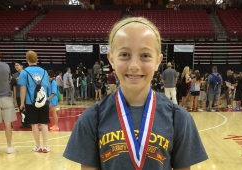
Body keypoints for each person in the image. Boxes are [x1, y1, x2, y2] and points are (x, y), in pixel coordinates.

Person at [64, 17, 208, 169]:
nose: (134, 66)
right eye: (125, 54)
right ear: (111, 59)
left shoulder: (178, 118)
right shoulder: (92, 118)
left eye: (145, 55)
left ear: (158, 61)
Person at [18, 50, 50, 153]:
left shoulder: (24, 72)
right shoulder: (44, 71)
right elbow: (46, 86)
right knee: (44, 124)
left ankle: (38, 146)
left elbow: (23, 89)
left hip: (30, 102)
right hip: (43, 100)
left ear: (27, 59)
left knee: (34, 124)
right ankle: (46, 146)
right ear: (36, 59)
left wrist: (22, 103)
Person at [0, 47, 17, 154]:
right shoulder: (5, 66)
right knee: (8, 123)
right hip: (6, 97)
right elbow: (9, 80)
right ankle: (9, 147)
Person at [12, 61, 30, 128]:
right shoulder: (14, 75)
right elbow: (14, 86)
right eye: (15, 65)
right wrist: (14, 95)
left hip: (26, 95)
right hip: (18, 95)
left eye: (17, 65)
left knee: (28, 109)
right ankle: (23, 122)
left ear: (22, 66)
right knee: (21, 109)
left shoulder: (26, 74)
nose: (16, 66)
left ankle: (29, 122)